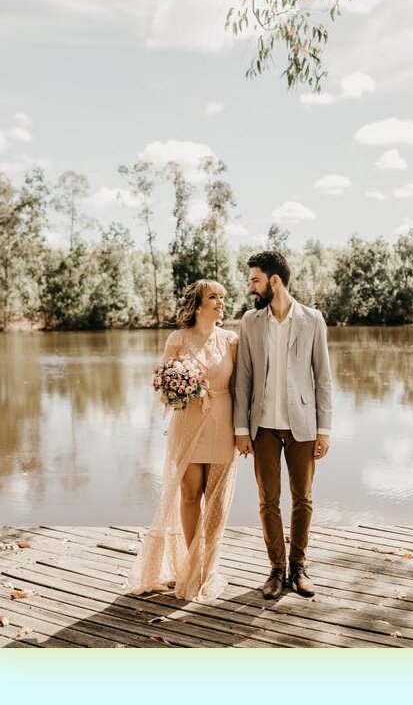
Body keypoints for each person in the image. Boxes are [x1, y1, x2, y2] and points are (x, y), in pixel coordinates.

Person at [128, 279, 238, 602]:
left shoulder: (231, 340)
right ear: (198, 305)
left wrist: (244, 430)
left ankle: (209, 568)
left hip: (223, 421)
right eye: (213, 297)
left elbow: (241, 386)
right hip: (188, 422)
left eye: (222, 297)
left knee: (216, 500)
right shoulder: (177, 339)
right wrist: (180, 386)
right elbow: (162, 386)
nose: (220, 302)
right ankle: (193, 563)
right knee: (190, 494)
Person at [234, 251, 332, 600]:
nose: (251, 286)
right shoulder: (250, 321)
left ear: (274, 281)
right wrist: (241, 430)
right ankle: (276, 569)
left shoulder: (312, 320)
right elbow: (243, 378)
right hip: (262, 428)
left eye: (255, 280)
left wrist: (324, 430)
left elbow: (323, 378)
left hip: (302, 426)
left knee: (303, 498)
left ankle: (298, 567)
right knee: (268, 500)